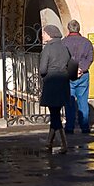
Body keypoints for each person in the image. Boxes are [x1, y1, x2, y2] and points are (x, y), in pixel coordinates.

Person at [38, 24, 74, 154]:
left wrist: (46, 74)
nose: (42, 35)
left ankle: (64, 144)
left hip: (52, 83)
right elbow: (71, 65)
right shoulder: (65, 47)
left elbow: (42, 69)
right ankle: (49, 142)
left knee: (54, 115)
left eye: (44, 33)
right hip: (63, 83)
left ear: (50, 34)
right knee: (55, 113)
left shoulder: (48, 48)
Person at [63, 19, 94, 134]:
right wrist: (81, 69)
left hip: (68, 75)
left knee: (69, 102)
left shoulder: (64, 42)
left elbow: (63, 59)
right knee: (83, 101)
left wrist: (72, 70)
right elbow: (90, 58)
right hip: (83, 75)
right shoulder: (87, 42)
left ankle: (69, 127)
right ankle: (85, 127)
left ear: (68, 29)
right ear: (79, 29)